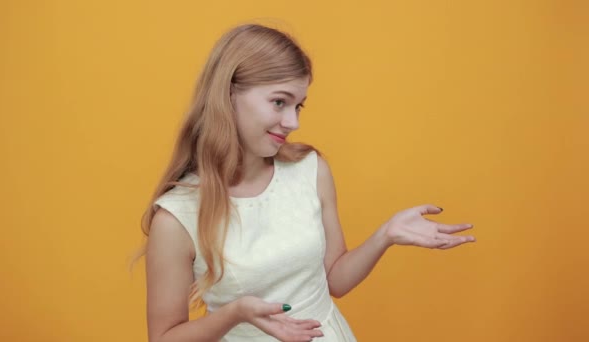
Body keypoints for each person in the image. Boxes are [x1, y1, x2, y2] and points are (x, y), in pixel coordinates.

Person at [139, 23, 476, 342]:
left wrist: (385, 235)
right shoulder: (176, 218)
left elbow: (335, 280)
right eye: (279, 102)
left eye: (299, 106)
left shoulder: (309, 169)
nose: (293, 122)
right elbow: (164, 337)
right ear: (228, 95)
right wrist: (235, 314)